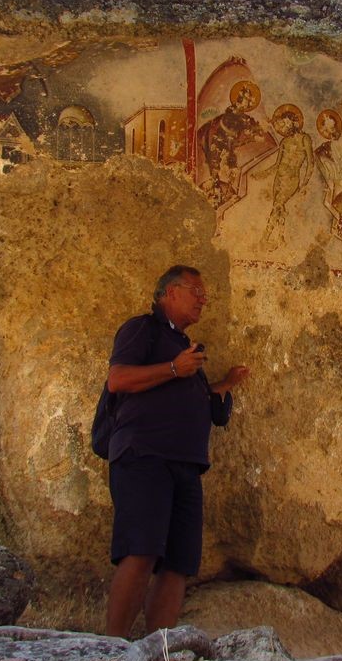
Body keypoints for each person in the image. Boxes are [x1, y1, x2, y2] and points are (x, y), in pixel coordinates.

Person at [104, 265, 250, 637]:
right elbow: (118, 379)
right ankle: (109, 651)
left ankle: (158, 656)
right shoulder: (142, 329)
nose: (203, 299)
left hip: (187, 464)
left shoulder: (185, 347)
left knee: (179, 563)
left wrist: (225, 384)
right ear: (169, 292)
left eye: (204, 294)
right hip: (144, 456)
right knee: (141, 550)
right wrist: (174, 367)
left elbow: (190, 394)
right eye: (195, 291)